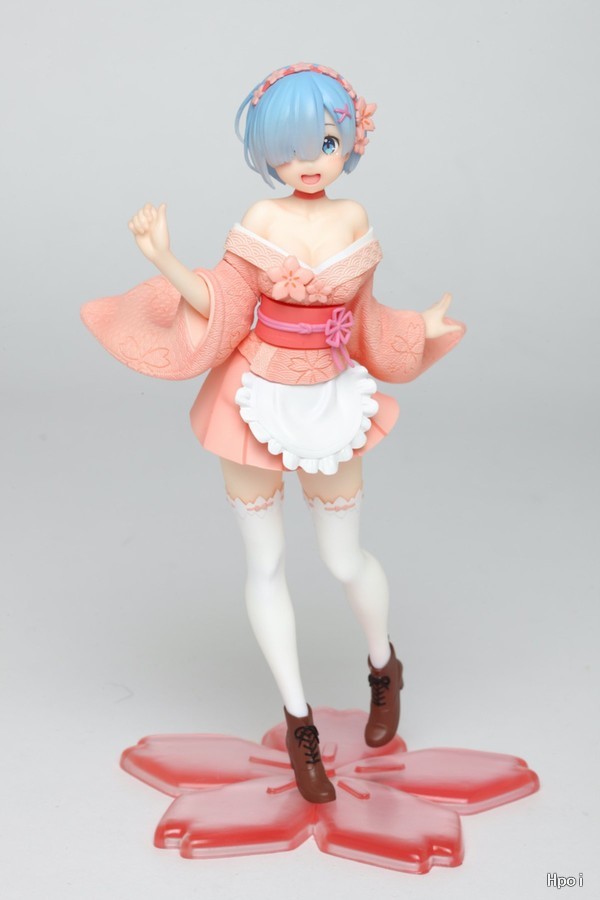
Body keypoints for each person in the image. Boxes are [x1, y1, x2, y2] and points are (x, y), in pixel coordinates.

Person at [81, 62, 465, 804]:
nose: (308, 162)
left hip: (330, 397)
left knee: (344, 557)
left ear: (349, 139)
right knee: (265, 563)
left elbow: (363, 316)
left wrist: (416, 328)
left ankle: (384, 666)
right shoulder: (260, 219)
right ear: (267, 156)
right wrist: (162, 258)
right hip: (254, 396)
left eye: (325, 142)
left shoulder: (353, 219)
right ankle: (299, 723)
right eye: (289, 151)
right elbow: (223, 302)